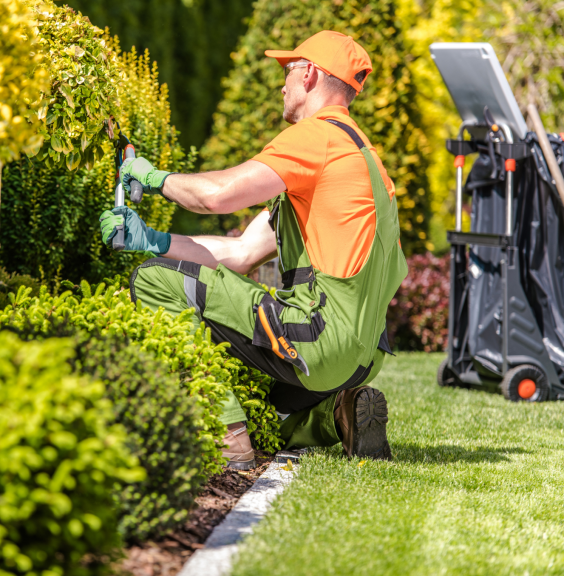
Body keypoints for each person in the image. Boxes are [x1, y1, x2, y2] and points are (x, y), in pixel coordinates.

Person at [99, 30, 408, 469]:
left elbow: (216, 197)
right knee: (260, 407)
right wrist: (152, 240)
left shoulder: (316, 137)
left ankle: (225, 436)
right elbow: (242, 252)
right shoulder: (363, 158)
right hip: (361, 357)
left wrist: (154, 178)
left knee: (152, 280)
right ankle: (338, 414)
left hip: (319, 338)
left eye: (288, 70)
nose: (282, 84)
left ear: (310, 74)